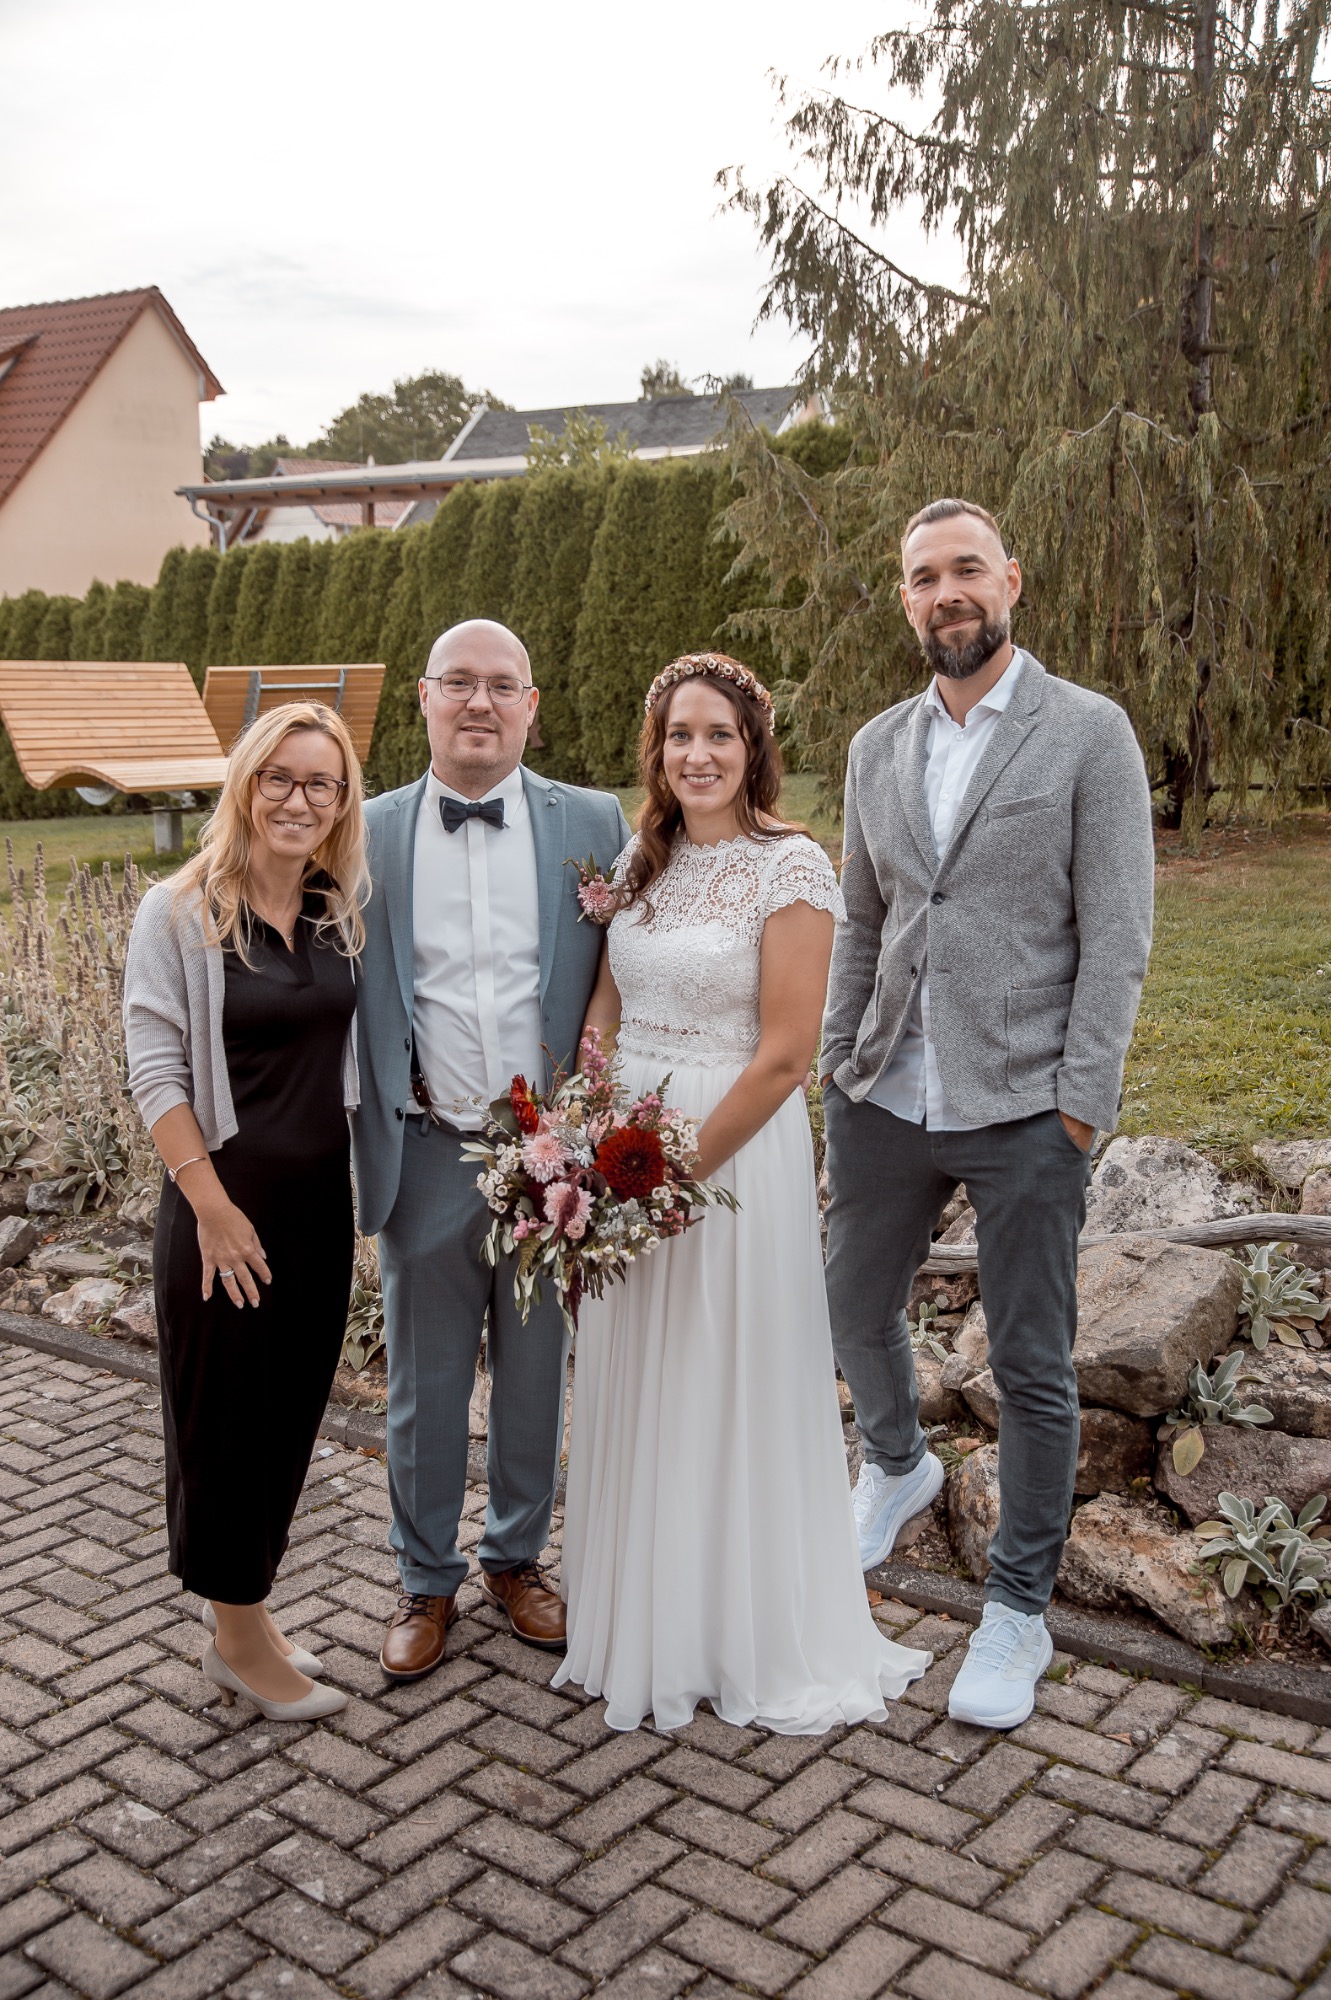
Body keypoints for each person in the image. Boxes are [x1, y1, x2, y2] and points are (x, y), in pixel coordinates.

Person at [821, 498, 1155, 1730]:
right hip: (884, 1094)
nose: (945, 591)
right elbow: (861, 918)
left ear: (1009, 579)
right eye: (923, 576)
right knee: (849, 1302)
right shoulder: (875, 746)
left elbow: (1116, 935)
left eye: (965, 568)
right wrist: (837, 1067)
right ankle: (897, 1462)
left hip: (1024, 1107)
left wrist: (1078, 1106)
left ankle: (1016, 1610)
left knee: (1028, 1365)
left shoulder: (1087, 732)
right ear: (905, 597)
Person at [554, 651, 932, 1733]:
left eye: (718, 733)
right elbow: (604, 1010)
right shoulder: (639, 859)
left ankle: (736, 1630)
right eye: (679, 734)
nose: (697, 754)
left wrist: (669, 1172)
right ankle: (645, 1620)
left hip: (726, 1149)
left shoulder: (791, 867)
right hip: (623, 1141)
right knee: (643, 1373)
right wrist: (585, 1125)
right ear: (656, 750)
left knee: (722, 1371)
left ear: (752, 747)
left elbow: (785, 1056)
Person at [353, 619, 630, 1681]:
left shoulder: (591, 821)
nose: (479, 701)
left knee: (533, 1373)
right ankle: (424, 1578)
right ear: (423, 699)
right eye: (458, 683)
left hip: (547, 1155)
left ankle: (515, 1558)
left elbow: (628, 962)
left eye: (500, 685)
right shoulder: (366, 830)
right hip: (424, 1144)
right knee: (423, 1386)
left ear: (530, 704)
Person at [124, 701, 367, 1722]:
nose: (297, 800)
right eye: (280, 777)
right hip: (223, 1209)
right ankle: (235, 1639)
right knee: (223, 1422)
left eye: (320, 783)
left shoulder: (334, 911)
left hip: (315, 1207)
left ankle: (249, 1610)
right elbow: (155, 1069)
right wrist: (213, 1209)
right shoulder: (179, 911)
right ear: (246, 782)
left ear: (341, 801)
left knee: (286, 1418)